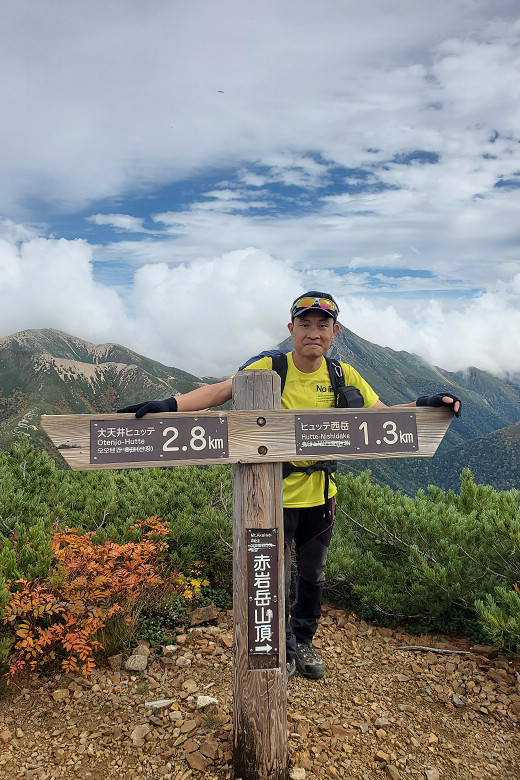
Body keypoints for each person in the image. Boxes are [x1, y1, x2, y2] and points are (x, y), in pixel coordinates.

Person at [118, 291, 461, 681]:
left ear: (335, 331)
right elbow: (221, 391)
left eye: (322, 325)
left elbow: (381, 418)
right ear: (291, 329)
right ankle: (279, 647)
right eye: (305, 324)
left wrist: (424, 406)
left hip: (321, 497)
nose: (313, 332)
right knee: (272, 580)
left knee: (313, 577)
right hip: (271, 497)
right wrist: (170, 405)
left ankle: (303, 641)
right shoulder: (271, 367)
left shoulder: (343, 375)